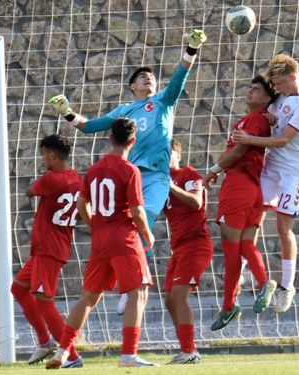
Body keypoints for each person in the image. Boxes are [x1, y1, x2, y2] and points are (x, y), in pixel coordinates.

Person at [48, 29, 207, 315]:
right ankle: (126, 282)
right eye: (142, 76)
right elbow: (90, 126)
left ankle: (132, 286)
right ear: (132, 86)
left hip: (158, 177)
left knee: (141, 220)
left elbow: (180, 76)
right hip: (131, 175)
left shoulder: (163, 102)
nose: (149, 78)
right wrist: (67, 112)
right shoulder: (124, 110)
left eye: (152, 76)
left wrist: (191, 49)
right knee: (124, 230)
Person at [45, 118, 155, 369]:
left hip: (101, 240)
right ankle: (128, 355)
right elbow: (137, 211)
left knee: (88, 298)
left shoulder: (94, 169)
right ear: (133, 142)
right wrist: (147, 234)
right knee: (138, 292)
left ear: (109, 138)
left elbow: (82, 204)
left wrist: (96, 225)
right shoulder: (130, 170)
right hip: (124, 239)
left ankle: (63, 351)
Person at [230, 54, 299, 313]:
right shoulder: (279, 98)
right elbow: (272, 118)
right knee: (253, 214)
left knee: (283, 227)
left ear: (294, 77)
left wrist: (248, 139)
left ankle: (286, 286)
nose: (277, 89)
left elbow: (284, 140)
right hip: (271, 167)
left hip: (294, 170)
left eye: (280, 83)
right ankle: (245, 271)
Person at [202, 76, 278, 330]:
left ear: (268, 99)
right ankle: (235, 300)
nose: (249, 92)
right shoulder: (257, 119)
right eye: (250, 88)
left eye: (256, 90)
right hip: (254, 188)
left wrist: (212, 171)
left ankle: (249, 291)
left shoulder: (255, 119)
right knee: (243, 244)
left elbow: (239, 151)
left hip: (238, 185)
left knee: (232, 248)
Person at [10, 134, 83, 368]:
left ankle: (71, 357)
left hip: (48, 247)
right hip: (53, 245)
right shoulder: (76, 179)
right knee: (19, 288)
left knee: (43, 301)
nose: (43, 159)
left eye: (43, 154)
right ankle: (43, 341)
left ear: (51, 155)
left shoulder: (52, 179)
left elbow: (29, 191)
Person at [163, 140, 213, 364]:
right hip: (179, 247)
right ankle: (186, 349)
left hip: (196, 243)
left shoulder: (189, 174)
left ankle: (189, 351)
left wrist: (171, 187)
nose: (166, 157)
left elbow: (195, 201)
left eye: (170, 152)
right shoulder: (160, 181)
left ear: (178, 155)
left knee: (179, 297)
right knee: (169, 300)